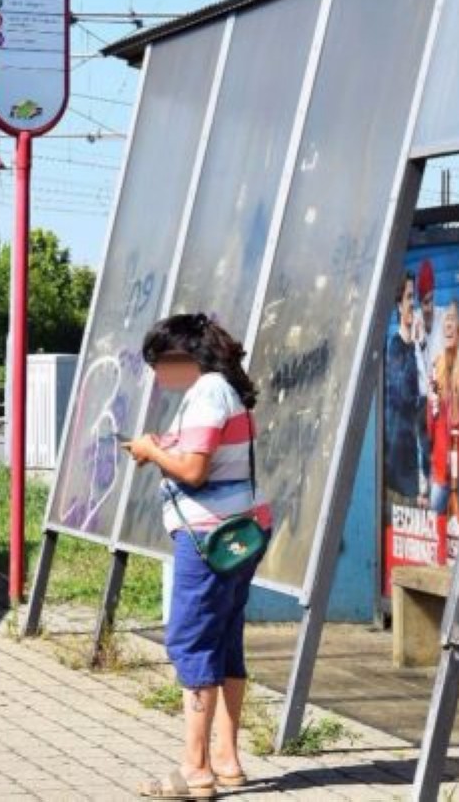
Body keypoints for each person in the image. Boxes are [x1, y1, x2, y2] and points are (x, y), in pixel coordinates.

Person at [125, 313, 270, 800]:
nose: (155, 373)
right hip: (240, 530)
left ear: (184, 357)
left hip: (208, 537)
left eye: (158, 362)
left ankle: (196, 770)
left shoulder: (207, 392)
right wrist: (159, 445)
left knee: (191, 641)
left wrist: (152, 450)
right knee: (225, 640)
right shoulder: (225, 388)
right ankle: (227, 761)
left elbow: (193, 470)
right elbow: (207, 453)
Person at [385, 273, 428, 505]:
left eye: (415, 297)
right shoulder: (396, 347)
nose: (414, 303)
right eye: (409, 297)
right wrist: (413, 345)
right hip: (401, 463)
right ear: (399, 305)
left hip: (419, 452)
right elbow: (403, 396)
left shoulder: (417, 345)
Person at [426, 301, 459, 517]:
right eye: (445, 321)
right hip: (441, 462)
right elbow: (431, 417)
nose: (448, 325)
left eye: (452, 319)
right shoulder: (437, 366)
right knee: (436, 518)